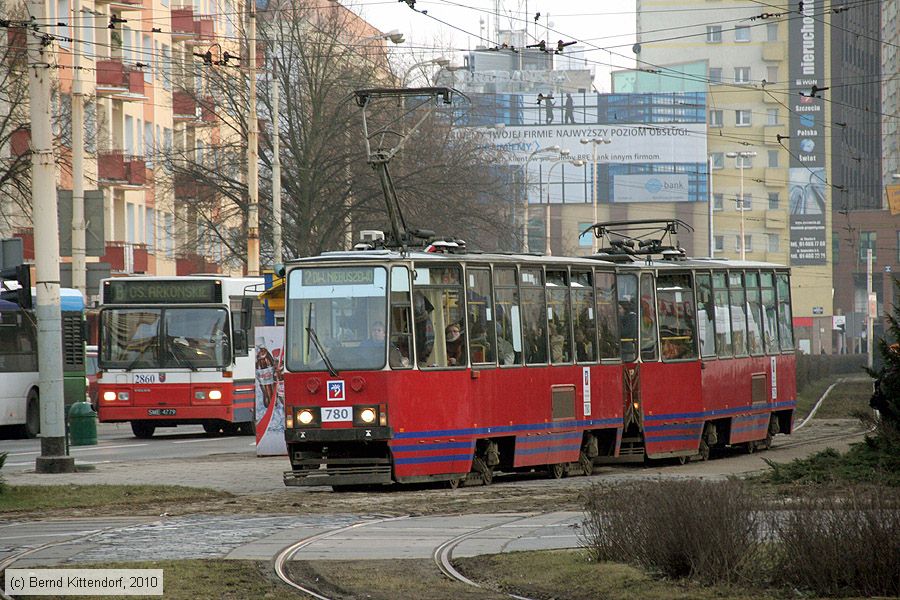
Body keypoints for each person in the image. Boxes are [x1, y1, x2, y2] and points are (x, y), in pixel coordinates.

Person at [255, 336, 279, 409]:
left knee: (270, 391)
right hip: (265, 379)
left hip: (268, 378)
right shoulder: (261, 357)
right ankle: (269, 403)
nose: (261, 351)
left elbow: (272, 363)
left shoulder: (265, 355)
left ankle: (272, 403)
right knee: (266, 392)